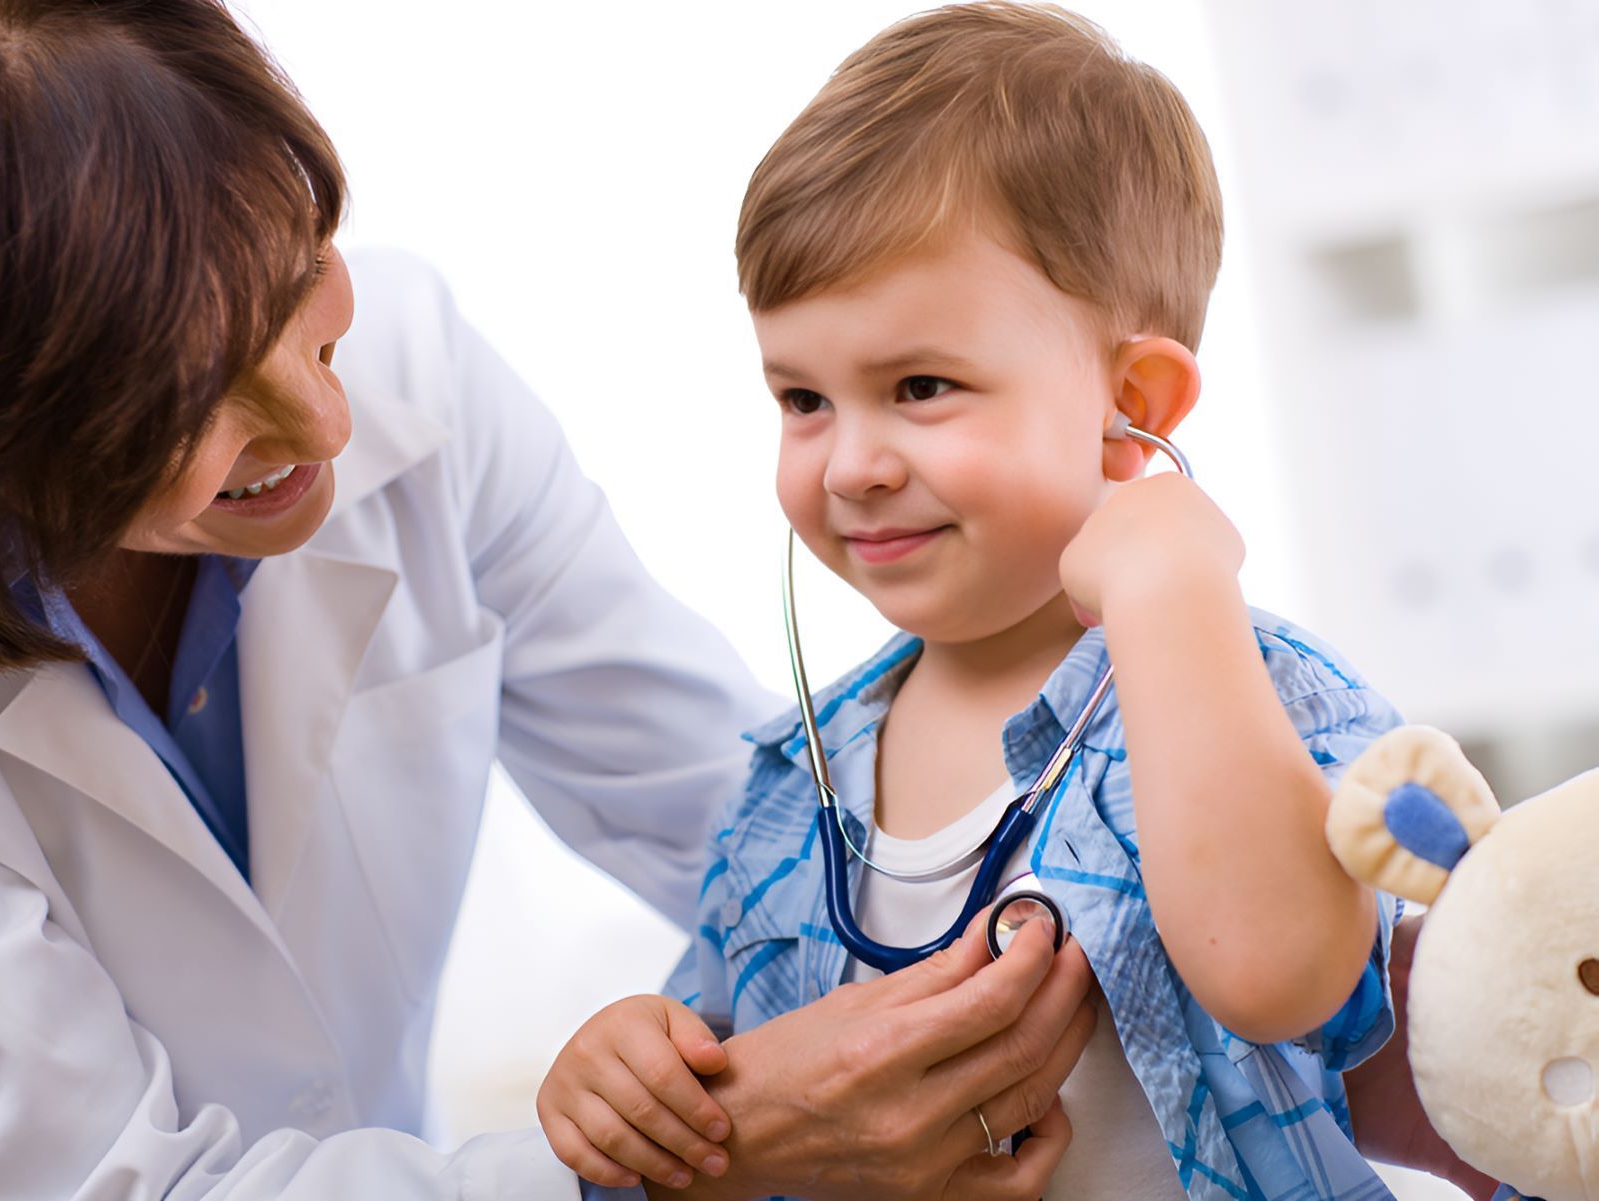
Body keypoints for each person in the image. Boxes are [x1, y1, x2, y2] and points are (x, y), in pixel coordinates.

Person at [0, 1, 1103, 1198]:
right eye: (181, 403)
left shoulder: (410, 370)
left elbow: (746, 827)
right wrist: (708, 1137)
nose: (323, 415)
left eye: (299, 275)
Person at [537, 6, 1419, 1199]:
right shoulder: (790, 779)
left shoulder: (1246, 686)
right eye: (802, 399)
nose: (849, 464)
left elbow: (1281, 975)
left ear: (1133, 403)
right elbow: (716, 1080)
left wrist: (1167, 585)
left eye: (919, 386)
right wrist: (624, 1073)